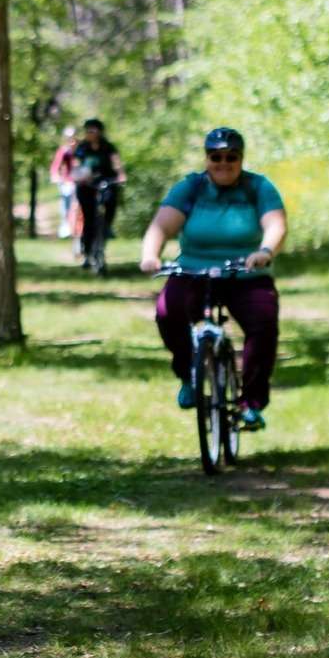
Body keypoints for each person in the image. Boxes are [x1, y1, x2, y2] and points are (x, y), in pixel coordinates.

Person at [139, 127, 287, 430]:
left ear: (241, 159)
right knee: (168, 312)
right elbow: (161, 226)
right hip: (194, 270)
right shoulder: (191, 188)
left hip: (246, 271)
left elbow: (276, 225)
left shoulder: (258, 187)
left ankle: (251, 403)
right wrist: (151, 254)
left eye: (231, 157)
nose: (223, 163)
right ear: (206, 158)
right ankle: (189, 376)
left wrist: (265, 251)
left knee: (263, 325)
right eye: (215, 157)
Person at [71, 118, 127, 274]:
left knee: (108, 213)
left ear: (100, 132)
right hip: (86, 186)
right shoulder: (82, 148)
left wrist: (121, 175)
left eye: (93, 130)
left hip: (106, 183)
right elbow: (76, 165)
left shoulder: (108, 147)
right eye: (88, 130)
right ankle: (87, 252)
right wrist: (80, 176)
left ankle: (104, 237)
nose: (90, 133)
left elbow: (117, 164)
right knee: (89, 219)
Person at [48, 126, 78, 238]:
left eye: (73, 137)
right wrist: (55, 176)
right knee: (66, 205)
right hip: (67, 182)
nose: (71, 140)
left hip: (80, 182)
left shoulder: (81, 150)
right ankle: (66, 228)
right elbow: (55, 166)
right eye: (69, 137)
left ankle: (78, 228)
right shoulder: (64, 151)